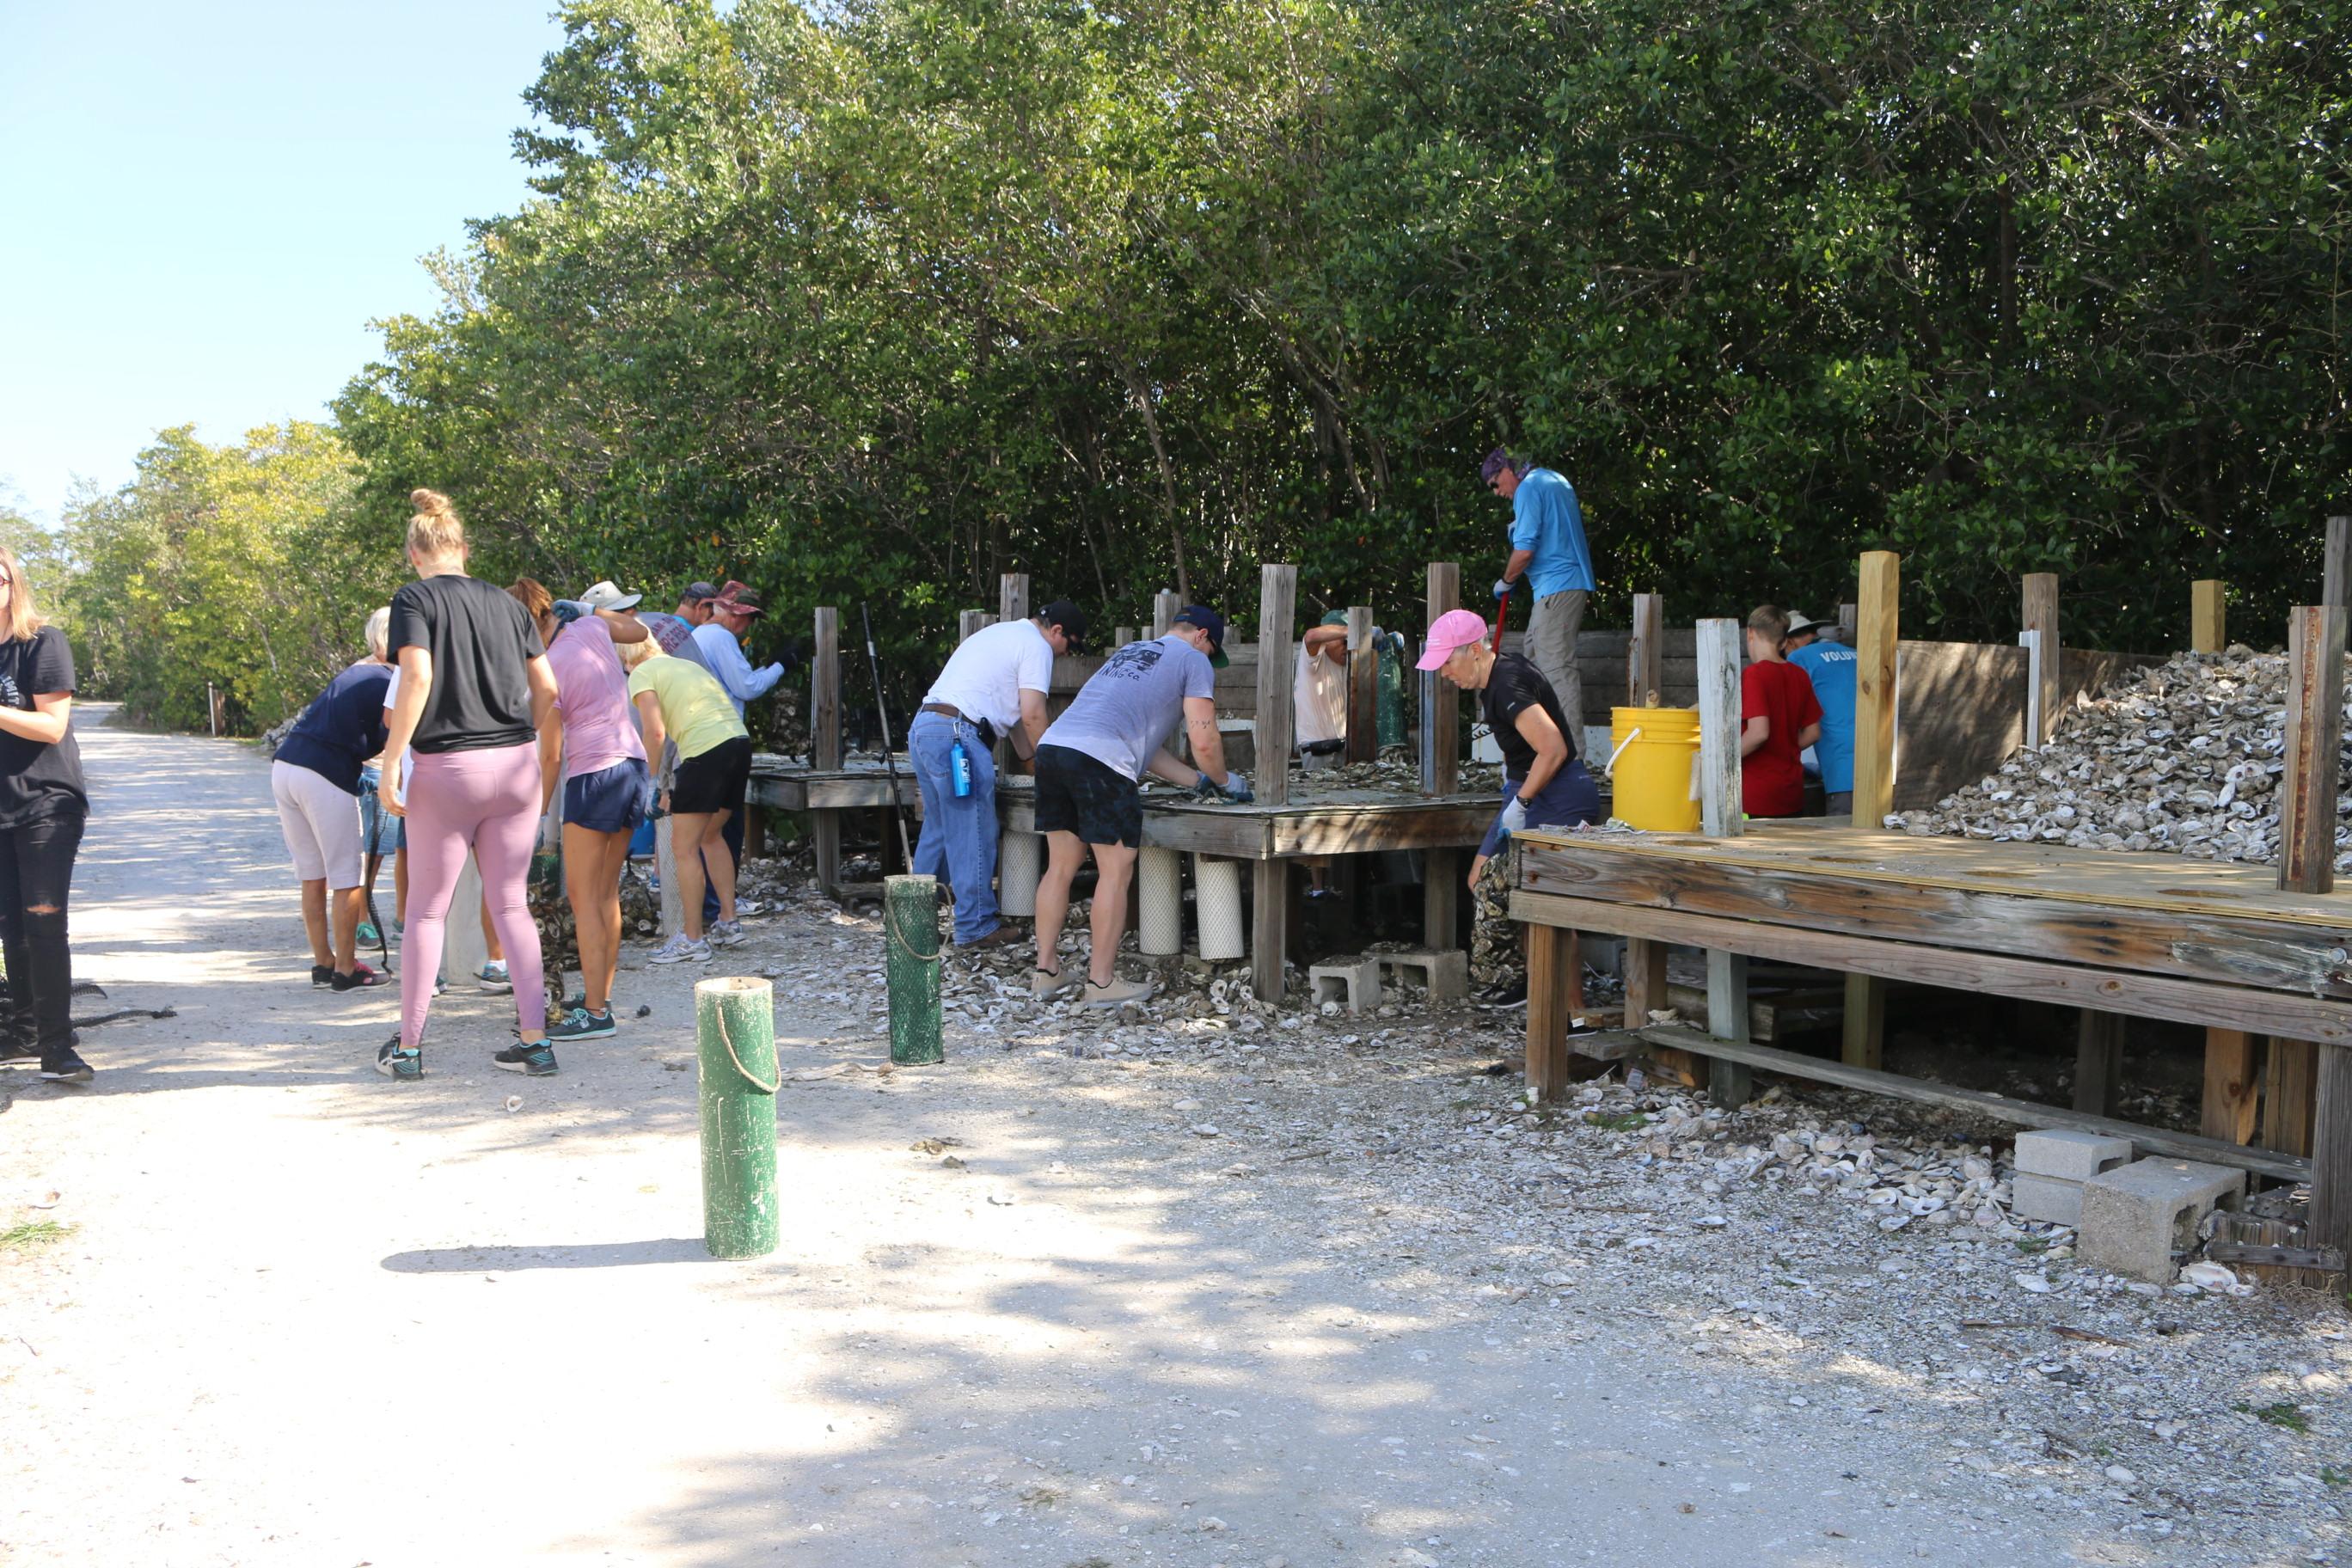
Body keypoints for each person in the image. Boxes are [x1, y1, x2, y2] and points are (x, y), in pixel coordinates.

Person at [375, 489, 561, 1081]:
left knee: (427, 913)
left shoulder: (414, 599)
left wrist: (391, 760)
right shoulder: (509, 605)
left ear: (414, 554)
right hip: (515, 767)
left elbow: (418, 677)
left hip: (446, 770)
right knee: (512, 905)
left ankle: (408, 1049)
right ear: (464, 548)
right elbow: (550, 689)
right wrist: (518, 737)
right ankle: (536, 1042)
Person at [1031, 608, 1248, 1008]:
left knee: (1061, 866)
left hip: (1054, 749)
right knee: (1115, 871)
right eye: (1212, 648)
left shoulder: (1132, 652)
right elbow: (1204, 738)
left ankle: (1046, 973)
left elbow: (1145, 748)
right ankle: (1100, 984)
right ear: (1202, 636)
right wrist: (1223, 780)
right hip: (1101, 762)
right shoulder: (1194, 660)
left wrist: (1196, 782)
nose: (1209, 657)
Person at [1418, 608, 1602, 1015]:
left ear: (1474, 651)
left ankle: (1574, 1015)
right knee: (1481, 877)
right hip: (1525, 788)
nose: (1444, 672)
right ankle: (1531, 982)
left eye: (1448, 661)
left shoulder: (1506, 683)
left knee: (1549, 906)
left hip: (1559, 793)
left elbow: (1553, 749)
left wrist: (1522, 803)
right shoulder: (1494, 677)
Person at [911, 598, 1087, 948]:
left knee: (940, 828)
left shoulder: (1002, 634)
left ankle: (912, 922)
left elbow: (1018, 721)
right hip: (959, 738)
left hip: (926, 728)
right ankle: (975, 926)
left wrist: (1035, 765)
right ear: (1056, 631)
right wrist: (1059, 775)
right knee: (974, 831)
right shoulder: (1037, 648)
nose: (1066, 654)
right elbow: (1035, 715)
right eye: (1070, 645)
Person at [527, 585, 653, 1039]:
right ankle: (600, 996)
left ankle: (596, 1014)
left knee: (583, 901)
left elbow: (550, 757)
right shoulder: (591, 628)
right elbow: (638, 629)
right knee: (605, 895)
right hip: (633, 766)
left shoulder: (549, 667)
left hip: (594, 775)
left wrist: (536, 815)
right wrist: (588, 608)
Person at [0, 542, 92, 1085]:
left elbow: (51, 726)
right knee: (10, 926)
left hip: (47, 801)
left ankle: (58, 1048)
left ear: (13, 585)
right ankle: (26, 1027)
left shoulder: (41, 644)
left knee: (42, 920)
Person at [271, 606, 395, 992]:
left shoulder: (356, 672)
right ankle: (346, 969)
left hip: (287, 765)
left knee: (312, 873)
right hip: (325, 772)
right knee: (347, 876)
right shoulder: (394, 681)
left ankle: (323, 963)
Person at [625, 635, 752, 964]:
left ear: (626, 658)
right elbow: (670, 735)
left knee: (684, 849)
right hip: (738, 742)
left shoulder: (641, 674)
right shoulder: (684, 666)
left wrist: (649, 782)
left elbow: (654, 733)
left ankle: (692, 939)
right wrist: (667, 784)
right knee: (711, 835)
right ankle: (728, 920)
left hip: (704, 751)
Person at [1482, 448, 1595, 737]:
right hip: (1557, 588)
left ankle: (1571, 759)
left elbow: (1524, 551)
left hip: (1558, 588)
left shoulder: (1529, 488)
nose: (1496, 492)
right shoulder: (1552, 479)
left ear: (1508, 470)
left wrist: (1506, 580)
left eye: (1495, 483)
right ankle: (1542, 750)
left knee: (1556, 671)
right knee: (1532, 666)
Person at [689, 580, 783, 922]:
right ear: (732, 612)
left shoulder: (698, 636)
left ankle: (713, 905)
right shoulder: (721, 638)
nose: (749, 626)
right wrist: (781, 665)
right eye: (749, 617)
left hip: (699, 739)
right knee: (725, 830)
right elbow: (748, 687)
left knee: (706, 828)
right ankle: (720, 905)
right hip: (724, 739)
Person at [1741, 604, 1823, 820]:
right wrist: (1784, 746)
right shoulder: (1799, 675)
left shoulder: (1754, 674)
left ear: (1751, 633)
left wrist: (1721, 758)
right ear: (1784, 639)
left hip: (1756, 793)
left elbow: (1758, 733)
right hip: (1791, 791)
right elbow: (1814, 732)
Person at [1785, 610, 1858, 816]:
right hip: (1879, 761)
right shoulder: (1854, 653)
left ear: (1788, 642)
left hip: (1840, 765)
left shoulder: (1799, 658)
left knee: (1843, 837)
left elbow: (1791, 713)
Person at [1294, 611, 1350, 767]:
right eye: (1343, 641)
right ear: (1328, 640)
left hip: (1342, 751)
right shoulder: (1313, 661)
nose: (1347, 646)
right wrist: (1353, 630)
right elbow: (1311, 636)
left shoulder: (1347, 665)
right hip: (1317, 752)